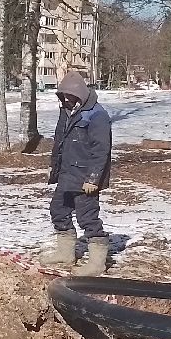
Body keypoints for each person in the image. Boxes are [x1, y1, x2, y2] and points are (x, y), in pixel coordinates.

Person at [46, 70, 113, 276]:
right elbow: (59, 143)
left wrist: (94, 178)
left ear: (81, 94)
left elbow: (101, 150)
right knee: (58, 211)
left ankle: (97, 263)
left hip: (85, 179)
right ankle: (66, 253)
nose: (66, 98)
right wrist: (54, 166)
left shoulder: (97, 115)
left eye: (70, 95)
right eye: (63, 94)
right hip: (67, 174)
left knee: (88, 218)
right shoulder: (65, 111)